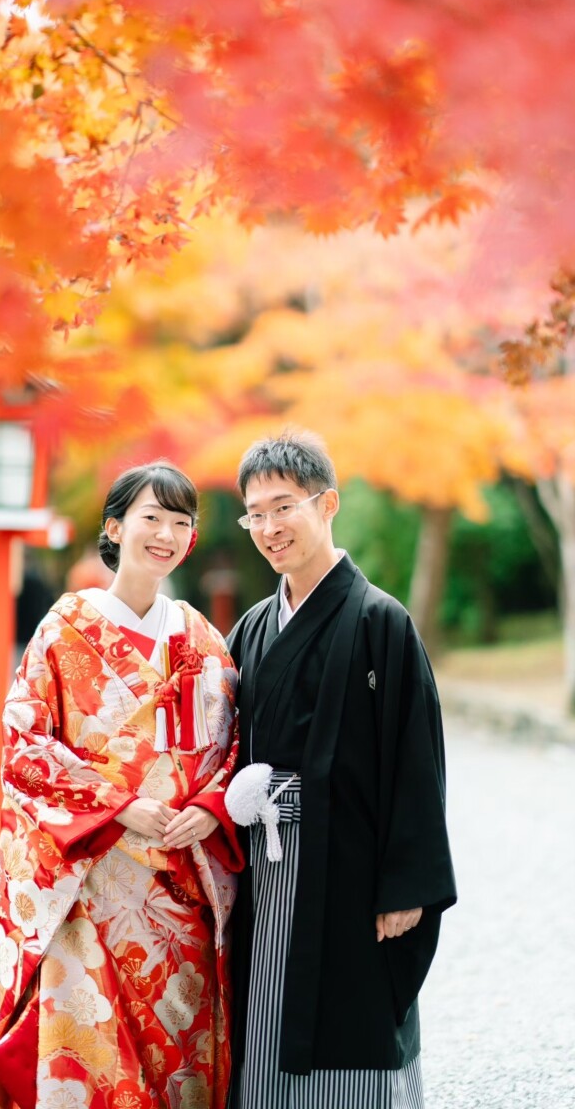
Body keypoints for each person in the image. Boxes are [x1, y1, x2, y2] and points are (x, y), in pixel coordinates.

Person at [0, 462, 243, 1109]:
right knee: (91, 1050)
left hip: (182, 887)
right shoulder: (65, 629)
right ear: (116, 527)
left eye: (182, 523)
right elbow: (25, 743)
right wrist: (119, 807)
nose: (167, 534)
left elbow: (237, 745)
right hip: (92, 878)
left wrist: (209, 807)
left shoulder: (203, 638)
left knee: (181, 1054)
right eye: (152, 518)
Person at [225, 432, 456, 1109]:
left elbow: (417, 762)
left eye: (283, 507)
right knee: (266, 1013)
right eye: (255, 514)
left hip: (352, 868)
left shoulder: (381, 621)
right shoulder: (253, 626)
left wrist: (406, 884)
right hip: (265, 866)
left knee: (352, 1016)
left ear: (327, 504)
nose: (269, 528)